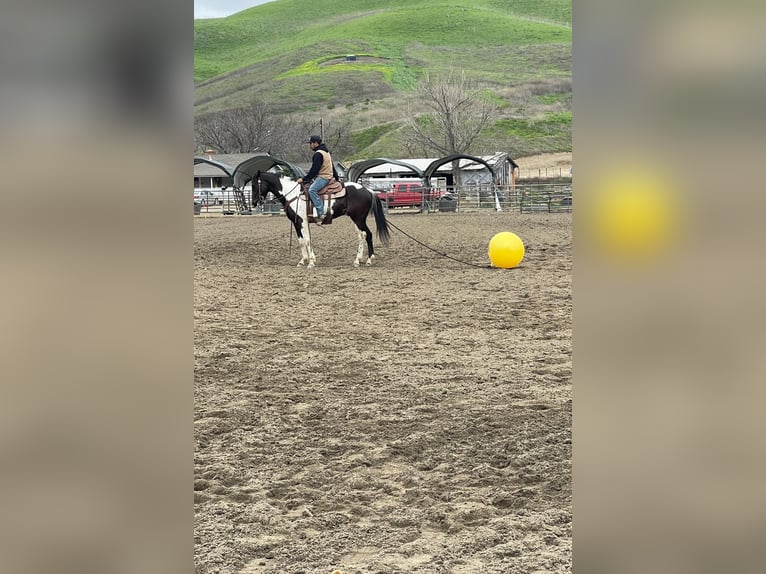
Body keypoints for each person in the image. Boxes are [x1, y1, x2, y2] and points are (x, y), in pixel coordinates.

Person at [296, 135, 339, 221]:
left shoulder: (318, 154)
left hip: (323, 177)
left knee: (312, 190)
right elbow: (332, 166)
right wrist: (336, 177)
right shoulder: (326, 152)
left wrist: (304, 179)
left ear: (315, 143)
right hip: (328, 176)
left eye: (311, 143)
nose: (310, 145)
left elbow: (314, 170)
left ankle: (320, 212)